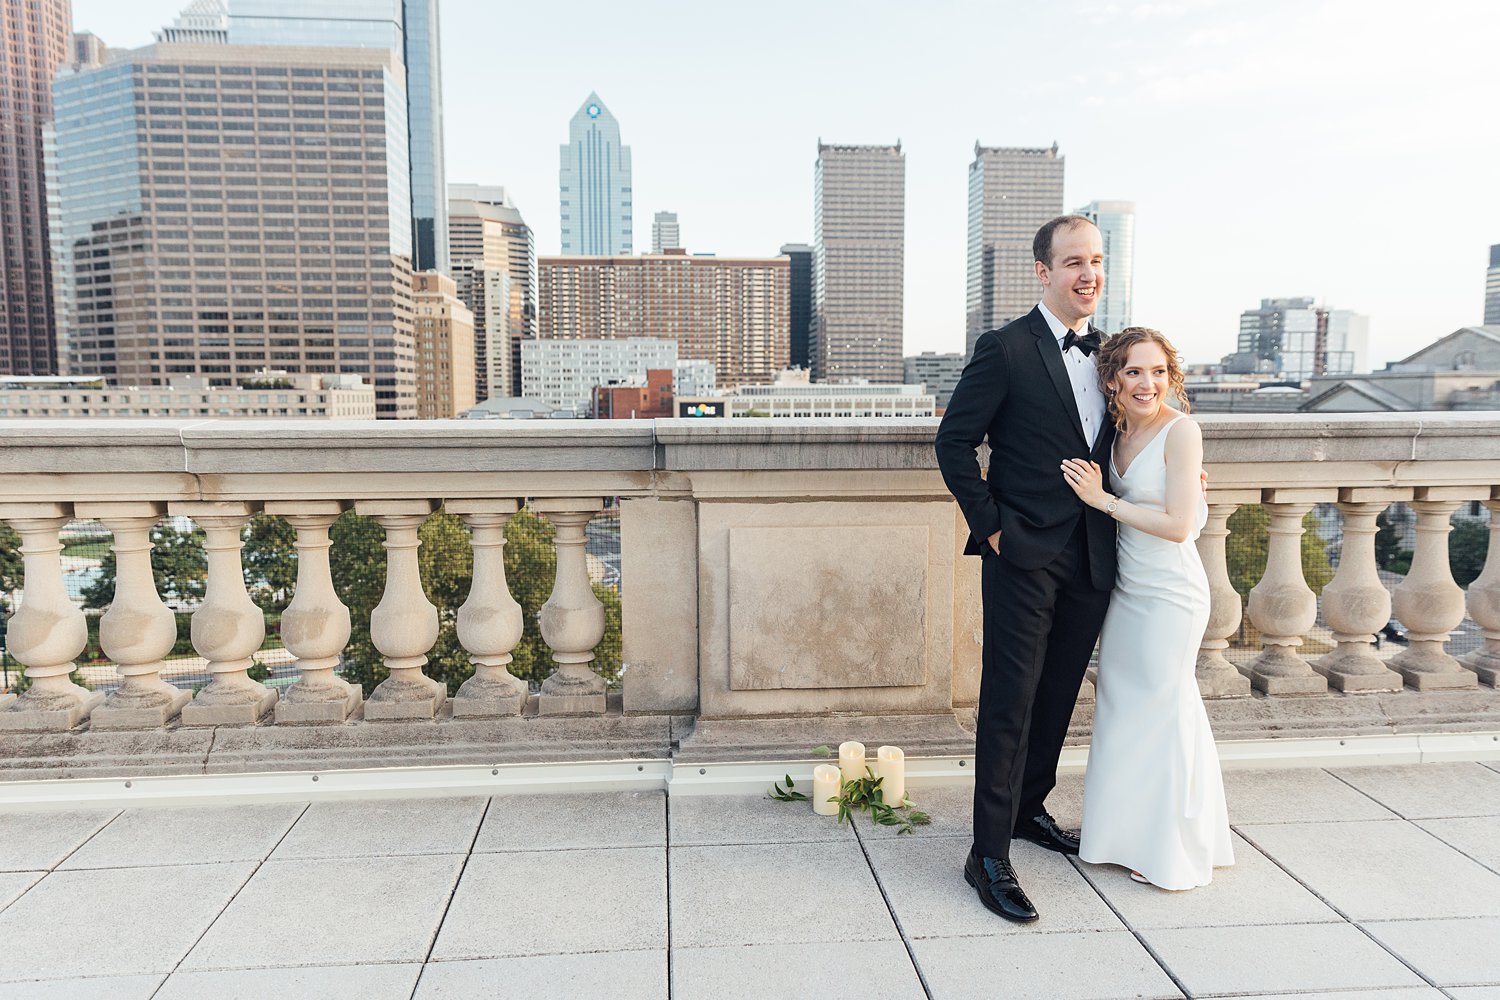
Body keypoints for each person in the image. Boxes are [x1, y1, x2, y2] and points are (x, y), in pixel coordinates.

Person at [934, 215, 1114, 923]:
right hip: (1023, 553)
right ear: (1043, 272)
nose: (1087, 273)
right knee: (1009, 702)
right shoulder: (1004, 348)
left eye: (1096, 260)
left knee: (1060, 694)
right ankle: (986, 855)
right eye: (1073, 261)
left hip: (1094, 552)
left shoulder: (1110, 352)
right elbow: (954, 443)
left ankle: (1028, 808)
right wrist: (994, 527)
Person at [1061, 327, 1235, 890]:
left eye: (1158, 371)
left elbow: (1181, 526)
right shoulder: (1112, 434)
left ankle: (1169, 849)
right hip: (1127, 592)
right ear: (1112, 379)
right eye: (1135, 371)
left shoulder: (1182, 431)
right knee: (1123, 708)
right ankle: (1120, 833)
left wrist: (1104, 500)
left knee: (1164, 709)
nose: (1148, 383)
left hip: (1171, 595)